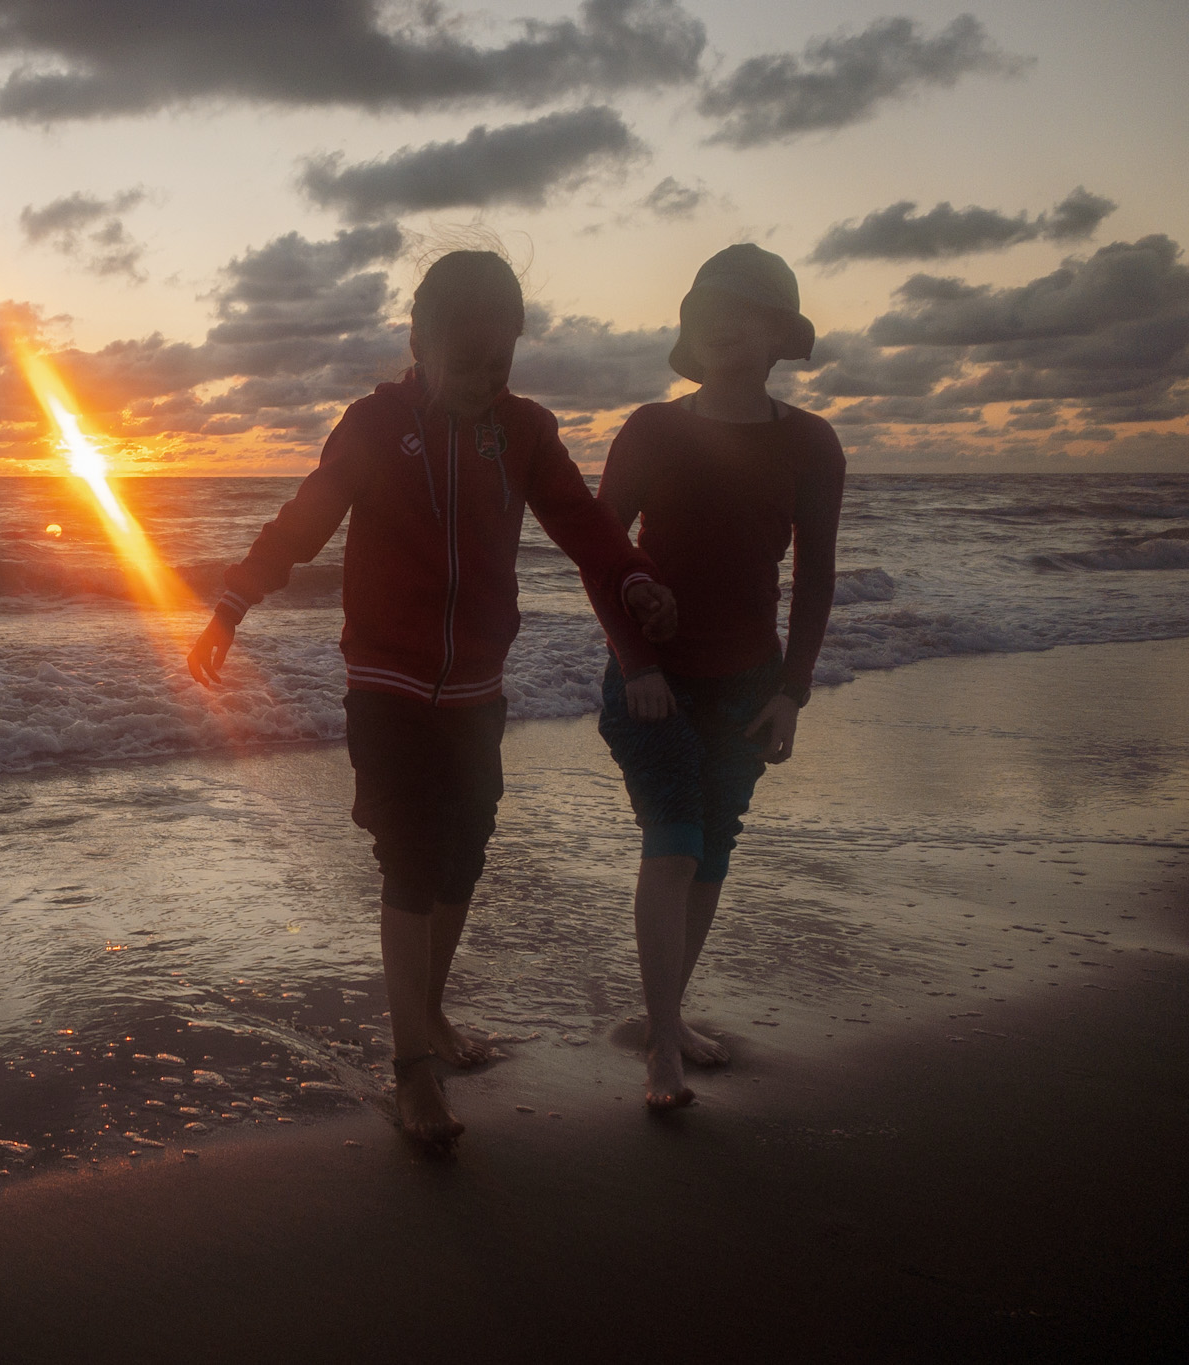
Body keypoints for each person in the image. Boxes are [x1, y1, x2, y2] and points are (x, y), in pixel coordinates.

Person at [187, 249, 679, 1146]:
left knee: (463, 859)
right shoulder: (375, 425)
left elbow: (584, 523)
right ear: (419, 341)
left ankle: (430, 1010)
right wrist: (232, 602)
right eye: (468, 363)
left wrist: (635, 576)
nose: (486, 382)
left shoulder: (524, 431)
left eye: (502, 363)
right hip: (387, 684)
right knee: (411, 863)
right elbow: (306, 518)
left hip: (477, 691)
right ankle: (411, 1064)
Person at [585, 244, 846, 1110]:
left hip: (747, 686)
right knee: (674, 844)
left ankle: (668, 1017)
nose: (723, 325)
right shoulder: (652, 430)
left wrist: (792, 691)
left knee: (711, 855)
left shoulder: (811, 443)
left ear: (779, 335)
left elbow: (815, 578)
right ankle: (663, 1045)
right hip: (652, 682)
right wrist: (637, 662)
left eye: (744, 310)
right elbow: (600, 552)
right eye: (707, 311)